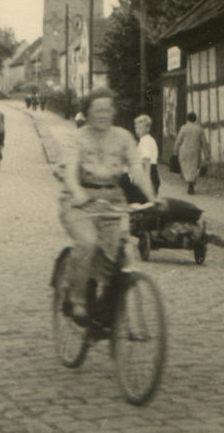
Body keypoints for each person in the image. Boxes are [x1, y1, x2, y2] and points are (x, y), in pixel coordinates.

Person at [54, 88, 156, 328]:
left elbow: (137, 170)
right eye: (98, 110)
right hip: (79, 201)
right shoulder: (76, 138)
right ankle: (76, 298)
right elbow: (69, 171)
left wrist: (152, 198)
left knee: (114, 253)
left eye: (108, 109)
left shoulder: (123, 137)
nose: (103, 115)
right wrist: (78, 193)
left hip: (113, 200)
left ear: (114, 112)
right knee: (88, 242)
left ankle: (103, 311)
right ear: (87, 113)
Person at [173, 112, 211, 195]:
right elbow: (204, 142)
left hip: (184, 150)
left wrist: (175, 151)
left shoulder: (183, 128)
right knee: (193, 167)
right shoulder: (199, 128)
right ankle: (191, 182)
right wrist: (207, 155)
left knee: (185, 166)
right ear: (195, 119)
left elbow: (178, 141)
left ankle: (189, 182)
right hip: (195, 151)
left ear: (187, 119)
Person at [134, 114, 160, 197]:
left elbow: (146, 160)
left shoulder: (145, 141)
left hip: (148, 172)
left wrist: (146, 180)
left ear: (147, 128)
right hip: (152, 172)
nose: (137, 130)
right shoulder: (149, 140)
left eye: (140, 128)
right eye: (136, 128)